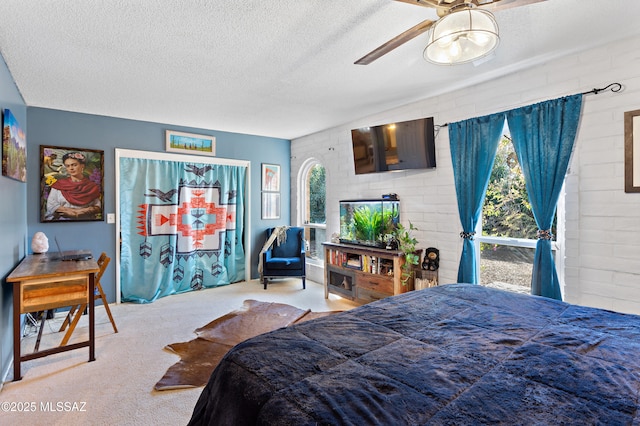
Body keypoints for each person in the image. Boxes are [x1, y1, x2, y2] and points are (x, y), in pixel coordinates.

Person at [45, 152, 101, 220]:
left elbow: (97, 206)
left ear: (82, 166)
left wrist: (79, 213)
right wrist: (73, 212)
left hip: (86, 223)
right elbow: (51, 205)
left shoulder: (91, 186)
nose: (71, 168)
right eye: (68, 166)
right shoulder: (59, 185)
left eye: (74, 165)